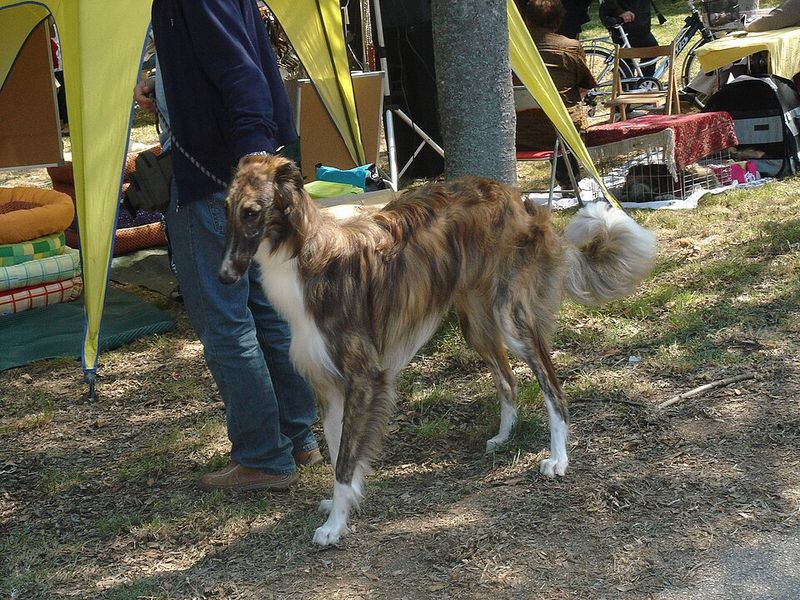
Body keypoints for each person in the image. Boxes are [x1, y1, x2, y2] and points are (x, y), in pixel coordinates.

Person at [135, 0, 321, 493]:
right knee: (263, 311)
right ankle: (297, 439)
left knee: (226, 322)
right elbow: (233, 61)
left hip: (219, 179)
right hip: (236, 172)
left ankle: (264, 457)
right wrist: (169, 86)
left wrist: (253, 161)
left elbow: (242, 74)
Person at [515, 0, 597, 190]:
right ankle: (570, 181)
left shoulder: (514, 50)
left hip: (519, 133)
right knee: (560, 114)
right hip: (560, 132)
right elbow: (586, 83)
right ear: (559, 19)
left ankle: (569, 180)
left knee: (545, 114)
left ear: (526, 19)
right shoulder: (570, 47)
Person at [599, 0, 659, 76]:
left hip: (637, 22)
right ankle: (640, 84)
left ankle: (641, 83)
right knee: (652, 50)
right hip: (626, 21)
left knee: (650, 51)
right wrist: (620, 12)